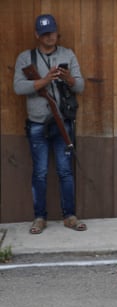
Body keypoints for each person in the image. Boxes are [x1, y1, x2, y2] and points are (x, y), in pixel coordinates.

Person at [13, 14, 86, 234]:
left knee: (65, 172)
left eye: (52, 32)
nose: (49, 37)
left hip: (62, 121)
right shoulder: (26, 58)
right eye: (44, 33)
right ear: (37, 35)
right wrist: (44, 81)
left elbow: (80, 86)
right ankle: (39, 217)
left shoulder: (67, 54)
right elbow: (18, 87)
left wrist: (67, 78)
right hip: (37, 123)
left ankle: (69, 216)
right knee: (40, 172)